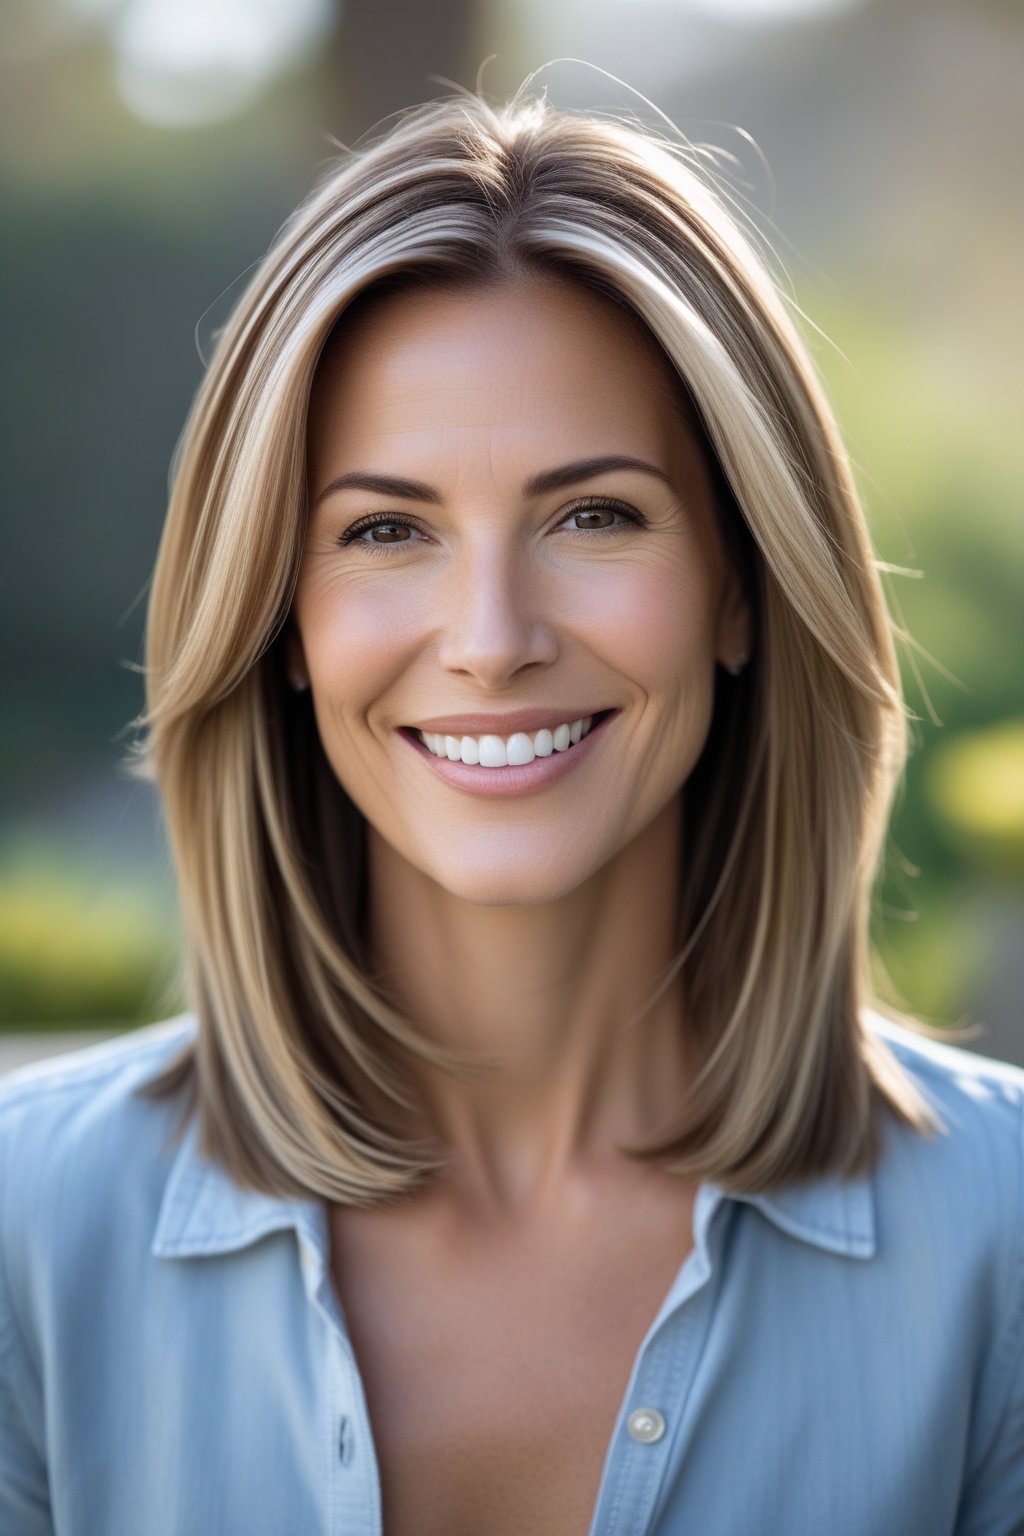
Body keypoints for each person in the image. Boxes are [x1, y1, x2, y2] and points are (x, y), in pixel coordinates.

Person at [1, 85, 1022, 1536]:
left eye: (593, 515)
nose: (491, 637)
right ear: (281, 622)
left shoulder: (1007, 1242)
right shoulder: (26, 1235)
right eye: (386, 531)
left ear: (742, 583)